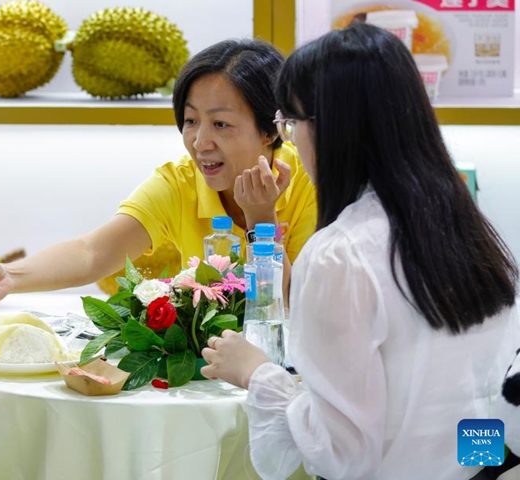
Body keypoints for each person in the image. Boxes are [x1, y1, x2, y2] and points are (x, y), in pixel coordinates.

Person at [200, 22, 520, 480]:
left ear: (334, 130)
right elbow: (483, 399)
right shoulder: (469, 229)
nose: (290, 139)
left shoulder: (340, 255)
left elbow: (343, 452)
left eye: (291, 124)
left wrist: (257, 374)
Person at [0, 39, 317, 307]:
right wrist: (9, 277)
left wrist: (261, 221)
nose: (200, 142)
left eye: (221, 124)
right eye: (190, 121)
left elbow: (290, 308)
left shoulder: (312, 181)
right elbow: (92, 253)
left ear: (270, 130)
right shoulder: (180, 182)